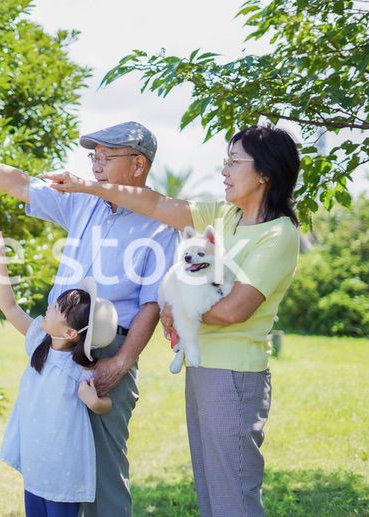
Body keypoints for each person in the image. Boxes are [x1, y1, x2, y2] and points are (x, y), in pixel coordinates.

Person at [41, 124, 302, 517]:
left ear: (265, 172)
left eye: (234, 162)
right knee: (213, 493)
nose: (224, 171)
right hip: (203, 367)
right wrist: (86, 185)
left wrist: (175, 308)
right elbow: (154, 203)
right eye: (224, 162)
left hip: (233, 375)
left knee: (233, 494)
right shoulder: (224, 216)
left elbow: (234, 309)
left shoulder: (277, 234)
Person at [0, 116, 178, 516]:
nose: (95, 164)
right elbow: (18, 183)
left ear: (137, 164)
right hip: (57, 344)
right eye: (93, 156)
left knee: (104, 473)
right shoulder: (83, 201)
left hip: (107, 347)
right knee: (52, 454)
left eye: (106, 156)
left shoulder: (162, 224)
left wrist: (122, 361)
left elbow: (151, 304)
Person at [0, 233, 116, 517]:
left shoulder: (80, 367)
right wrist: (1, 268)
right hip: (37, 460)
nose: (49, 305)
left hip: (64, 470)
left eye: (57, 308)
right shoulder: (39, 341)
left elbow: (105, 404)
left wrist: (94, 402)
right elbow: (9, 307)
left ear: (70, 333)